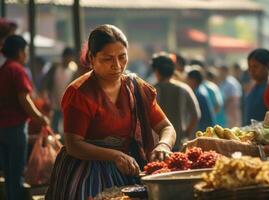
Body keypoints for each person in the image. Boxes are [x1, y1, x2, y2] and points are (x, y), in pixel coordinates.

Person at [45, 24, 176, 200]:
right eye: (108, 59)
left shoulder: (136, 87)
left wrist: (164, 145)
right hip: (85, 171)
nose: (117, 65)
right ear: (91, 58)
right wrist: (114, 155)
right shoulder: (79, 93)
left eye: (122, 57)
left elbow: (166, 127)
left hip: (125, 167)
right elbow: (73, 144)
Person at [0, 35, 49, 200]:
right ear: (20, 52)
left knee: (8, 173)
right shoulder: (17, 70)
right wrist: (40, 117)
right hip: (15, 128)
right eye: (26, 51)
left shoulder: (4, 69)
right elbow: (24, 99)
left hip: (2, 128)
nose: (26, 55)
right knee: (17, 172)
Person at [152, 52, 200, 150]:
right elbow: (196, 115)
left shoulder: (152, 90)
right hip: (180, 142)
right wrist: (186, 133)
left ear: (156, 71)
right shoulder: (184, 89)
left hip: (159, 145)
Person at [43, 47, 78, 133]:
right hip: (54, 102)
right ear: (63, 57)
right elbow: (46, 83)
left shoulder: (74, 70)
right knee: (54, 126)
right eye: (67, 57)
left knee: (67, 127)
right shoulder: (55, 67)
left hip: (67, 103)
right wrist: (47, 97)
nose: (68, 59)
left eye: (70, 57)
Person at [243, 49, 269, 126]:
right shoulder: (252, 87)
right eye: (249, 67)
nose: (251, 71)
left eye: (255, 67)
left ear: (268, 66)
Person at [186, 66, 215, 131]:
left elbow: (198, 116)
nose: (186, 82)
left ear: (193, 80)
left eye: (188, 79)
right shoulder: (200, 90)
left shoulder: (199, 94)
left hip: (203, 129)